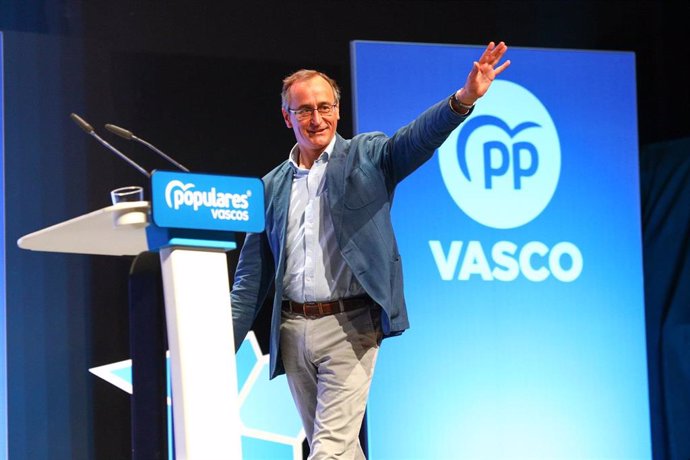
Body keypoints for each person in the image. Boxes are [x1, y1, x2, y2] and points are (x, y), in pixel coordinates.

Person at [231, 41, 510, 459]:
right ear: (287, 117)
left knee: (327, 450)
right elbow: (249, 281)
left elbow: (417, 139)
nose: (316, 118)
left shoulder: (369, 156)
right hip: (292, 330)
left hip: (351, 326)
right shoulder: (270, 186)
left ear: (337, 111)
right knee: (341, 451)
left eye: (324, 107)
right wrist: (216, 349)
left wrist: (463, 99)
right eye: (304, 109)